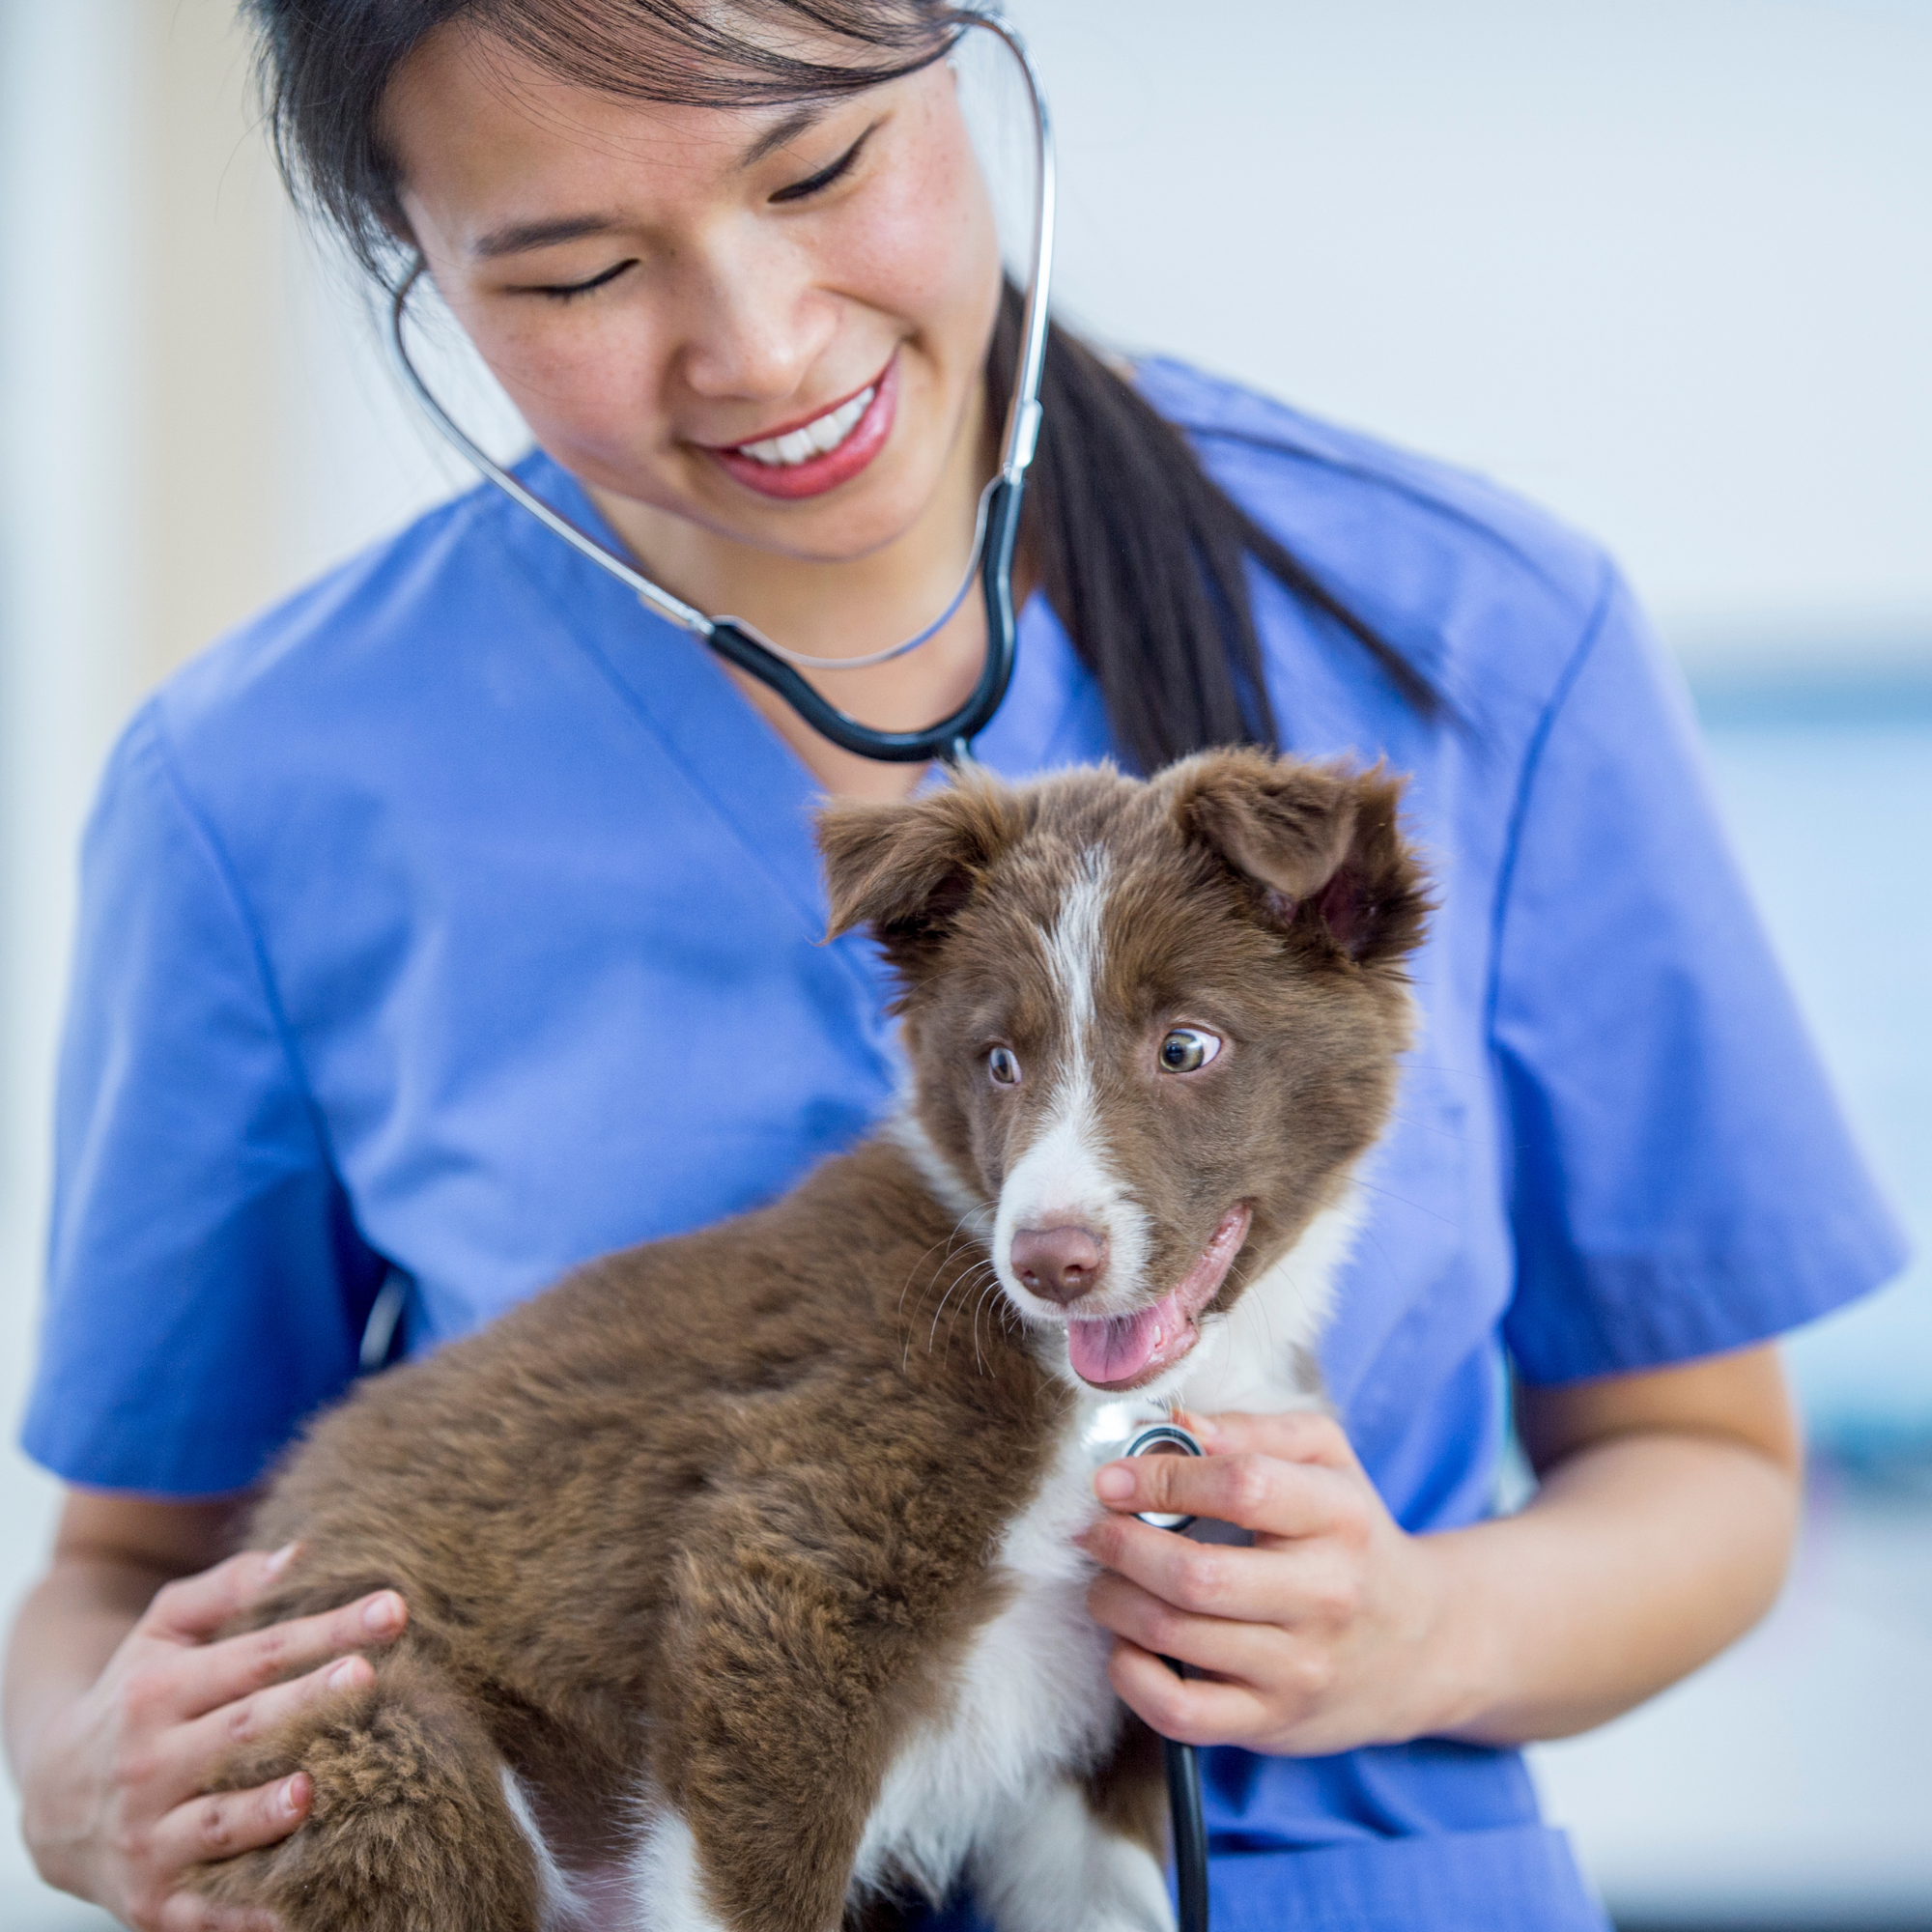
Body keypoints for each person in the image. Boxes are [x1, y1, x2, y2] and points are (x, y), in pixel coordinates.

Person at [3, 4, 1905, 1930]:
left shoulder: (1477, 630)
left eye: (820, 168)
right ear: (420, 260)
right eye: (577, 271)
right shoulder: (262, 784)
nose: (762, 347)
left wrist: (1418, 1630)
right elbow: (130, 1574)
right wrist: (82, 1785)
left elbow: (1708, 1468)